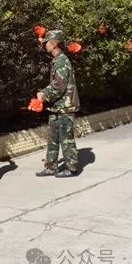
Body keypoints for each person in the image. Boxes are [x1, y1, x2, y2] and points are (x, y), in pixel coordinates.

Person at [35, 30, 80, 178]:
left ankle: (72, 168)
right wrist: (44, 92)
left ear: (54, 44)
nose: (45, 45)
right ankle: (51, 166)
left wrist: (44, 95)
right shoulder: (57, 60)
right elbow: (55, 84)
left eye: (47, 42)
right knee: (53, 137)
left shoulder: (61, 61)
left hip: (65, 107)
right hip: (57, 106)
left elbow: (59, 87)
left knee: (66, 138)